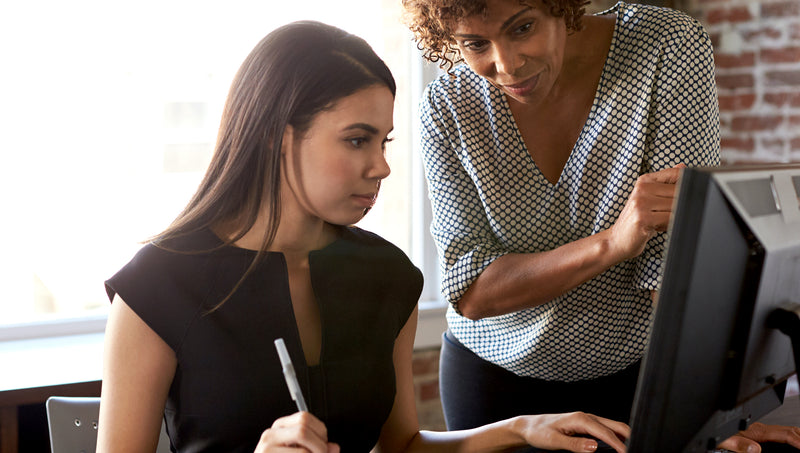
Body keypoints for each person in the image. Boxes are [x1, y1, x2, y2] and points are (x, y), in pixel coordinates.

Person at [97, 20, 632, 453]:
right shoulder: (158, 286)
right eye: (357, 140)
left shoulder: (388, 276)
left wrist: (519, 429)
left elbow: (401, 445)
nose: (381, 167)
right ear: (278, 138)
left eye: (384, 142)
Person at [402, 0, 800, 451]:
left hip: (637, 377)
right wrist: (612, 243)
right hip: (492, 384)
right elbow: (471, 290)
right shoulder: (446, 106)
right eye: (475, 43)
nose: (507, 65)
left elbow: (672, 261)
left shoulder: (665, 46)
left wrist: (715, 406)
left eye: (523, 27)